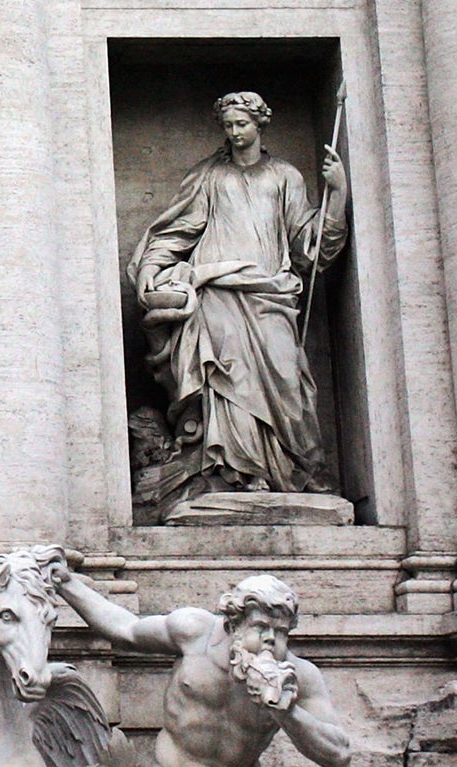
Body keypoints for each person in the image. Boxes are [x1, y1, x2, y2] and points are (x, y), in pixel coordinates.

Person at [54, 569, 350, 767]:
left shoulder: (300, 677)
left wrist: (288, 712)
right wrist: (67, 584)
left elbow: (339, 755)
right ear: (233, 624)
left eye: (280, 632)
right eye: (260, 627)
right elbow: (125, 629)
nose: (270, 639)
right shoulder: (194, 632)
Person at [130, 91, 347, 516]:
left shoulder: (284, 176)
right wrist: (150, 270)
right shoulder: (209, 176)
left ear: (259, 125)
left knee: (288, 380)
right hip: (219, 292)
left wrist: (337, 193)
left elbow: (311, 246)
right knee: (226, 382)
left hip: (271, 293)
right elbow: (176, 232)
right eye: (228, 125)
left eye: (241, 124)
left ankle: (290, 470)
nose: (234, 132)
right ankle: (233, 472)